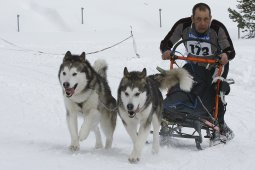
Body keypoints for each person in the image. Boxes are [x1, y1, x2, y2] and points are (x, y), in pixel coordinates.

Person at [160, 3, 235, 142]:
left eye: (206, 19)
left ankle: (220, 122)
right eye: (199, 19)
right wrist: (166, 51)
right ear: (192, 18)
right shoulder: (183, 25)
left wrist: (225, 55)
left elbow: (230, 50)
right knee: (180, 81)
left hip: (215, 66)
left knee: (217, 87)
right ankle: (174, 108)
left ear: (210, 18)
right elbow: (166, 43)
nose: (202, 23)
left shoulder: (217, 28)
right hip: (193, 64)